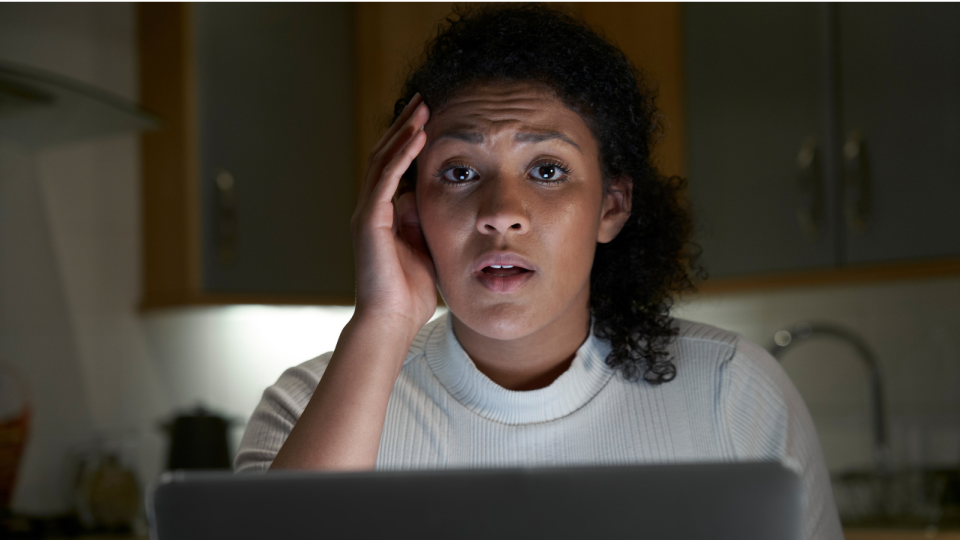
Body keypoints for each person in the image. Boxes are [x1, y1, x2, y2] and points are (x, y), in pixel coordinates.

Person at [235, 5, 842, 539]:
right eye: (459, 172)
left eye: (547, 170)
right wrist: (384, 321)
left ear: (612, 206)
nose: (501, 214)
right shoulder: (307, 405)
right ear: (406, 204)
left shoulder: (731, 394)